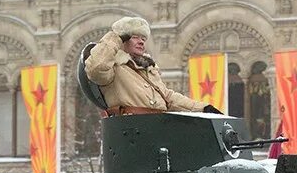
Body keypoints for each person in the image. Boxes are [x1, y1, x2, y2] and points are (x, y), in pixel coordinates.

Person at [85, 17, 220, 116]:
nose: (141, 42)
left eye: (143, 39)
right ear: (122, 40)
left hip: (157, 128)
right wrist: (114, 37)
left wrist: (203, 109)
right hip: (131, 132)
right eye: (135, 37)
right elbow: (96, 68)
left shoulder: (147, 69)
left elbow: (168, 98)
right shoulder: (113, 68)